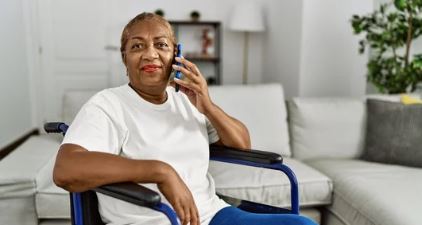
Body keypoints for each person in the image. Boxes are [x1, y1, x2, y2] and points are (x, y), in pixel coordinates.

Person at [53, 12, 317, 225]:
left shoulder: (186, 100)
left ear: (175, 55)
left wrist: (208, 105)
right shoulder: (108, 104)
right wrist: (161, 172)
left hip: (212, 216)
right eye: (137, 46)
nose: (150, 54)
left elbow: (242, 145)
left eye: (161, 44)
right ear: (125, 59)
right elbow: (65, 170)